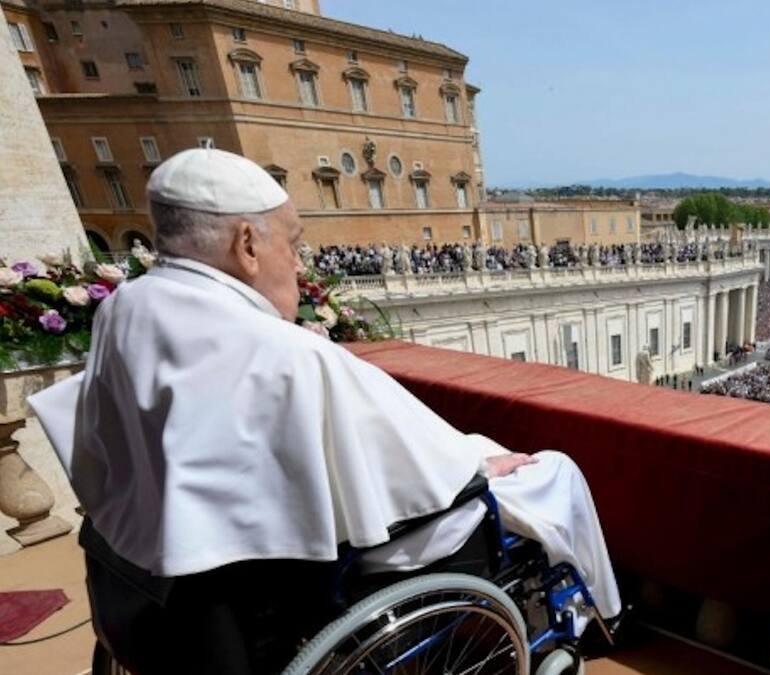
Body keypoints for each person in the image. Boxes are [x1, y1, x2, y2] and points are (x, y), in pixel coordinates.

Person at [29, 149, 621, 668]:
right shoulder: (285, 352)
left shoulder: (126, 307)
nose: (299, 263)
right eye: (293, 244)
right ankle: (605, 616)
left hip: (159, 571)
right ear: (246, 244)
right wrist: (473, 468)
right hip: (298, 576)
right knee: (553, 470)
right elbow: (419, 472)